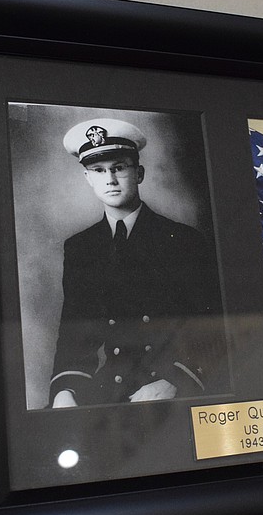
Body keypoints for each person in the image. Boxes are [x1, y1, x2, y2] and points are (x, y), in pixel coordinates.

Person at [50, 118, 223, 407]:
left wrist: (174, 381)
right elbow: (75, 334)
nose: (110, 179)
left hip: (169, 386)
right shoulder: (81, 248)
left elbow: (211, 328)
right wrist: (65, 390)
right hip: (112, 389)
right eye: (99, 170)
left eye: (119, 168)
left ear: (139, 173)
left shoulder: (183, 241)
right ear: (87, 178)